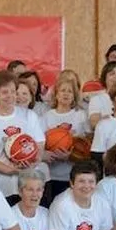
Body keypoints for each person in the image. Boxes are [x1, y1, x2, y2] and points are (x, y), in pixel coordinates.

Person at [0, 70, 47, 199]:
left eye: (13, 91)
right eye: (4, 92)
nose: (10, 96)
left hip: (28, 187)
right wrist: (10, 170)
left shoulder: (29, 116)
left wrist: (32, 162)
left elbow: (40, 145)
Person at [41, 75, 89, 205]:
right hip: (51, 175)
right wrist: (47, 154)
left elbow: (87, 145)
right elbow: (40, 144)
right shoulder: (46, 117)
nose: (66, 94)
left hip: (73, 175)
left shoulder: (81, 116)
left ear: (74, 96)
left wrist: (71, 155)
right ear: (56, 94)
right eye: (62, 90)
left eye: (70, 91)